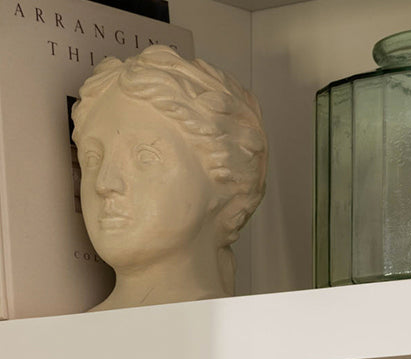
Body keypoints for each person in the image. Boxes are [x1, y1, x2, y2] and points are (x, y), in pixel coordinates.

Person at [71, 45, 268, 309]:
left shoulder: (242, 332)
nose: (104, 183)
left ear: (225, 178)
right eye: (92, 159)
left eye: (145, 156)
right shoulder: (66, 339)